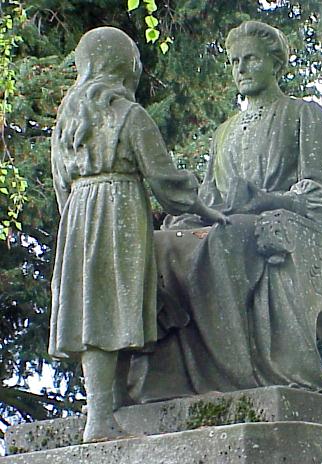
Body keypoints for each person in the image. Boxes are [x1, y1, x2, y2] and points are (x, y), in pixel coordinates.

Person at [128, 20, 322, 402]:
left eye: (251, 59)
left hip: (269, 227)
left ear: (275, 64)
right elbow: (211, 198)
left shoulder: (303, 114)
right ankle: (170, 376)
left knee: (223, 240)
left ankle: (235, 375)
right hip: (224, 223)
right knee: (159, 245)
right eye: (234, 62)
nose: (241, 69)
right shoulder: (224, 132)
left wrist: (268, 199)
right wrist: (186, 216)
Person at [49, 26, 227, 443]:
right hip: (117, 212)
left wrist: (74, 223)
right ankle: (99, 421)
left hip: (78, 215)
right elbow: (165, 181)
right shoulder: (129, 116)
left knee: (97, 306)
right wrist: (206, 210)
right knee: (112, 304)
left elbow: (60, 186)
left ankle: (111, 404)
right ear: (126, 66)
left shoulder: (67, 124)